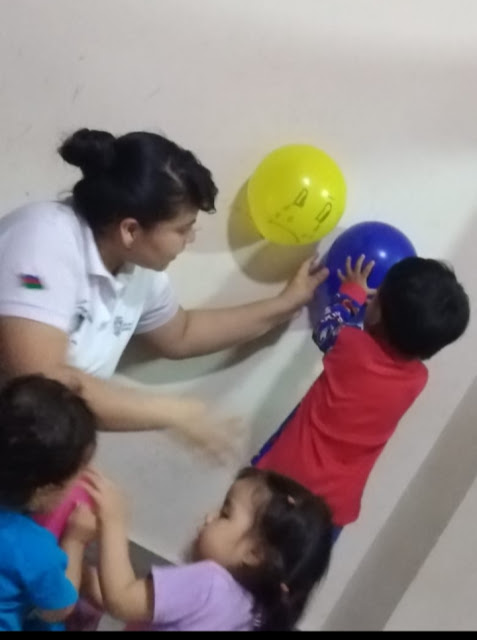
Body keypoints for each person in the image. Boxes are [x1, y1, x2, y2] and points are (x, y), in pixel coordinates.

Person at [0, 128, 328, 454]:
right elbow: (41, 386)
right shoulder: (42, 239)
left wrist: (285, 304)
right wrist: (174, 413)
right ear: (131, 230)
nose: (190, 239)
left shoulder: (136, 267)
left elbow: (182, 333)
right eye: (182, 229)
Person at [253, 255, 470, 536]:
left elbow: (325, 332)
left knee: (248, 540)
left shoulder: (350, 345)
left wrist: (352, 294)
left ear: (376, 312)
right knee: (294, 562)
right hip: (333, 507)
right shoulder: (417, 380)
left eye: (377, 295)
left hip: (287, 477)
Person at [78, 466, 333, 631]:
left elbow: (122, 600)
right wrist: (83, 574)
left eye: (225, 514)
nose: (210, 517)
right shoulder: (250, 610)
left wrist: (114, 520)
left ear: (254, 553)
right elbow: (143, 609)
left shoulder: (209, 582)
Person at [0, 375, 98, 631]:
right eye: (77, 475)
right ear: (46, 491)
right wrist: (75, 542)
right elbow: (57, 611)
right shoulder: (35, 549)